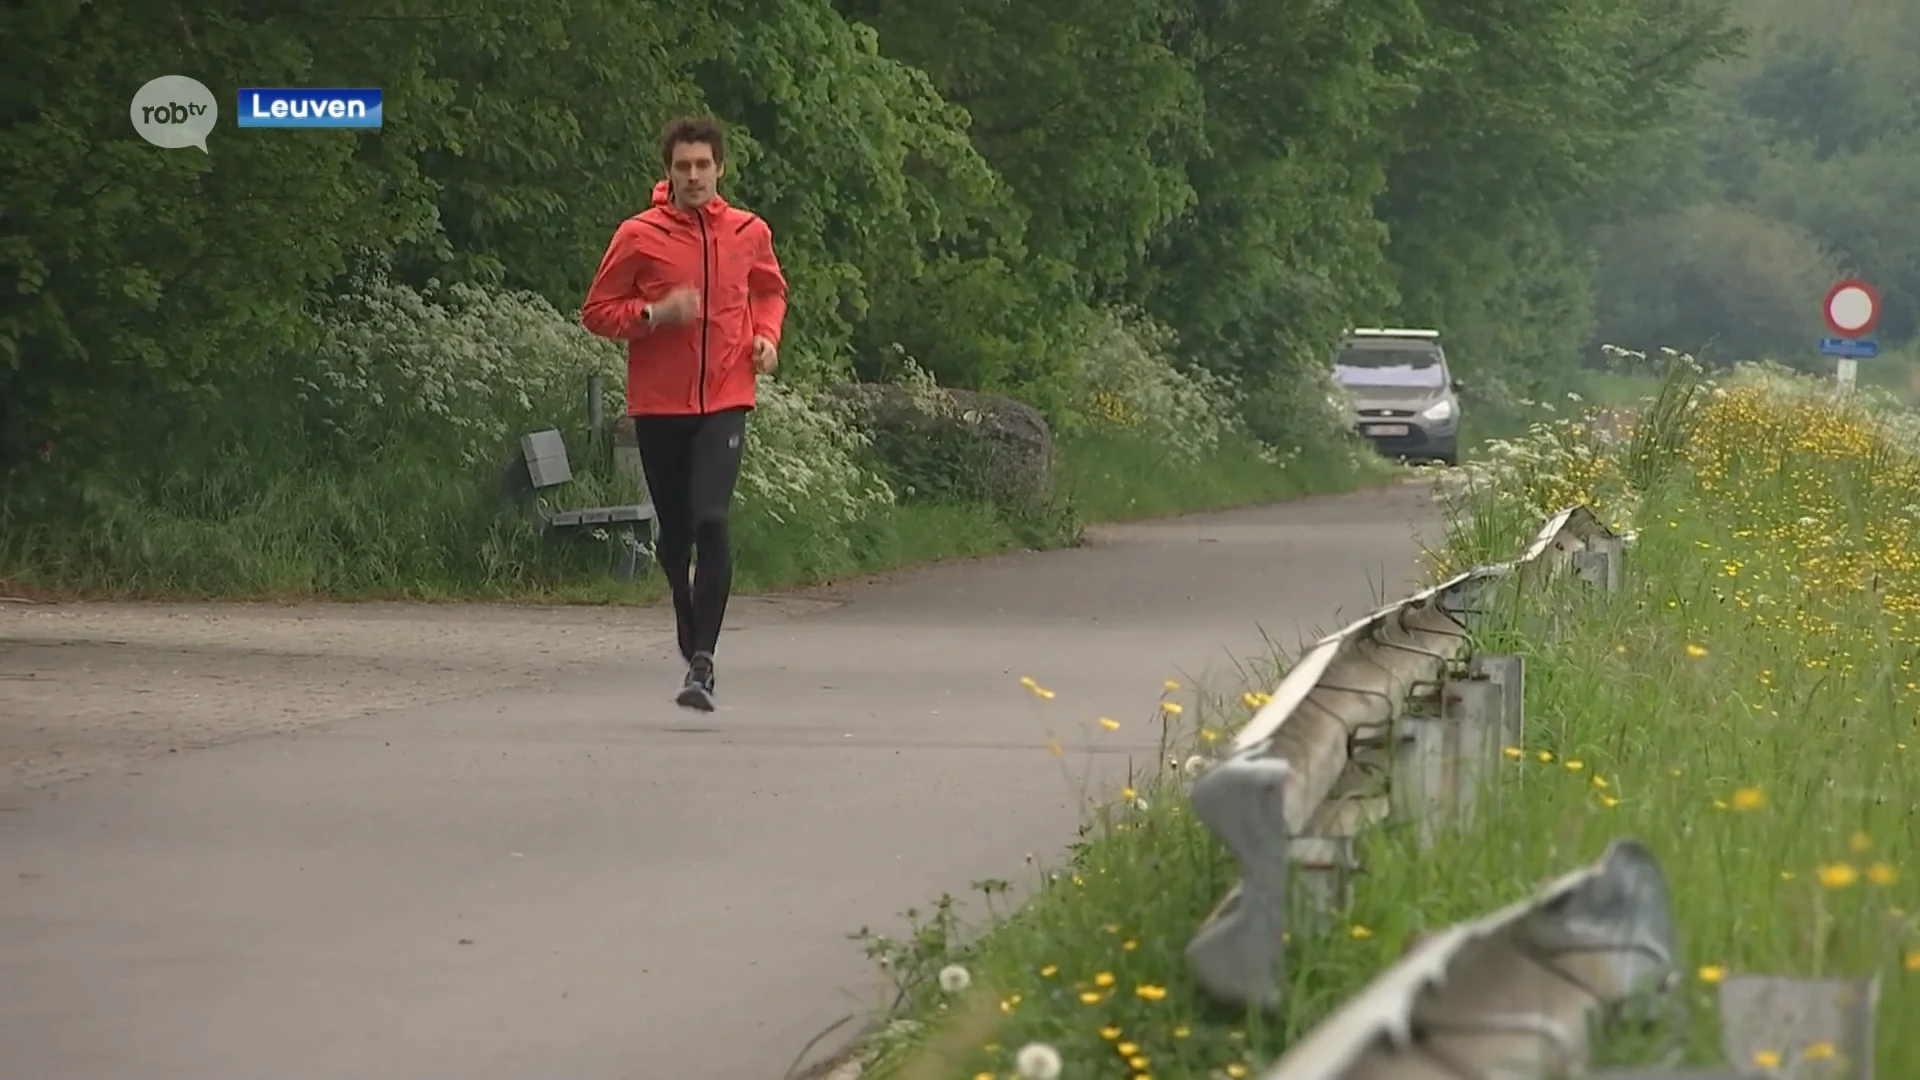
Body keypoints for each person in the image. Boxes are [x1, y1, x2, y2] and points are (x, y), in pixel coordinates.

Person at [579, 114, 788, 711]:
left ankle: (703, 663)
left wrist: (767, 337)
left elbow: (770, 289)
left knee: (712, 520)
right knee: (675, 537)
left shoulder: (749, 231)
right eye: (683, 166)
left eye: (703, 165)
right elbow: (597, 311)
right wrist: (652, 315)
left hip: (726, 396)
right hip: (660, 405)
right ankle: (683, 606)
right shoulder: (639, 235)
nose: (694, 176)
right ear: (667, 171)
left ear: (720, 168)